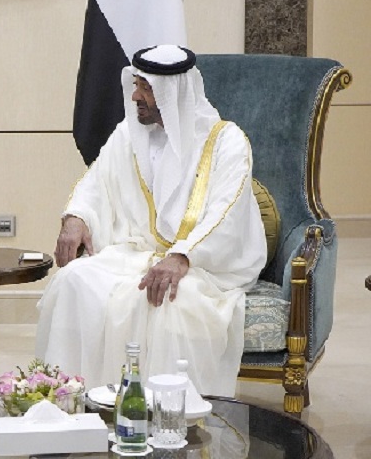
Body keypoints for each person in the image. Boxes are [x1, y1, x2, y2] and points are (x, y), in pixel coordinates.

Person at [35, 45, 267, 397]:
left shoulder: (225, 141)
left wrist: (183, 255)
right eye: (136, 85)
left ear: (172, 93)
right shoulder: (129, 134)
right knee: (73, 281)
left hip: (202, 266)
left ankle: (166, 415)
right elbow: (96, 182)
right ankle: (78, 403)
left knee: (168, 303)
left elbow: (228, 212)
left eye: (146, 88)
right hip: (134, 254)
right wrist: (76, 217)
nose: (135, 97)